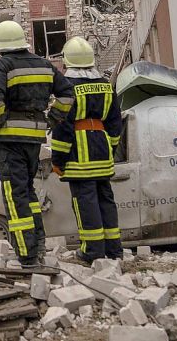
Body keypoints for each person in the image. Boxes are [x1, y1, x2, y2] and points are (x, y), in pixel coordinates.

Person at [0, 20, 72, 267]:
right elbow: (67, 94)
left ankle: (27, 255)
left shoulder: (1, 66)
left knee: (14, 196)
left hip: (11, 141)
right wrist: (53, 119)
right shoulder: (45, 65)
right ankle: (38, 244)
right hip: (34, 139)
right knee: (29, 193)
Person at [50, 36, 123, 263]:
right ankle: (114, 250)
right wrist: (110, 149)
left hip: (79, 155)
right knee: (106, 200)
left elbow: (63, 128)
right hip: (102, 150)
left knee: (86, 202)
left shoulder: (68, 88)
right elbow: (114, 122)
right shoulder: (105, 85)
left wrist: (58, 160)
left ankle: (91, 251)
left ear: (67, 61)